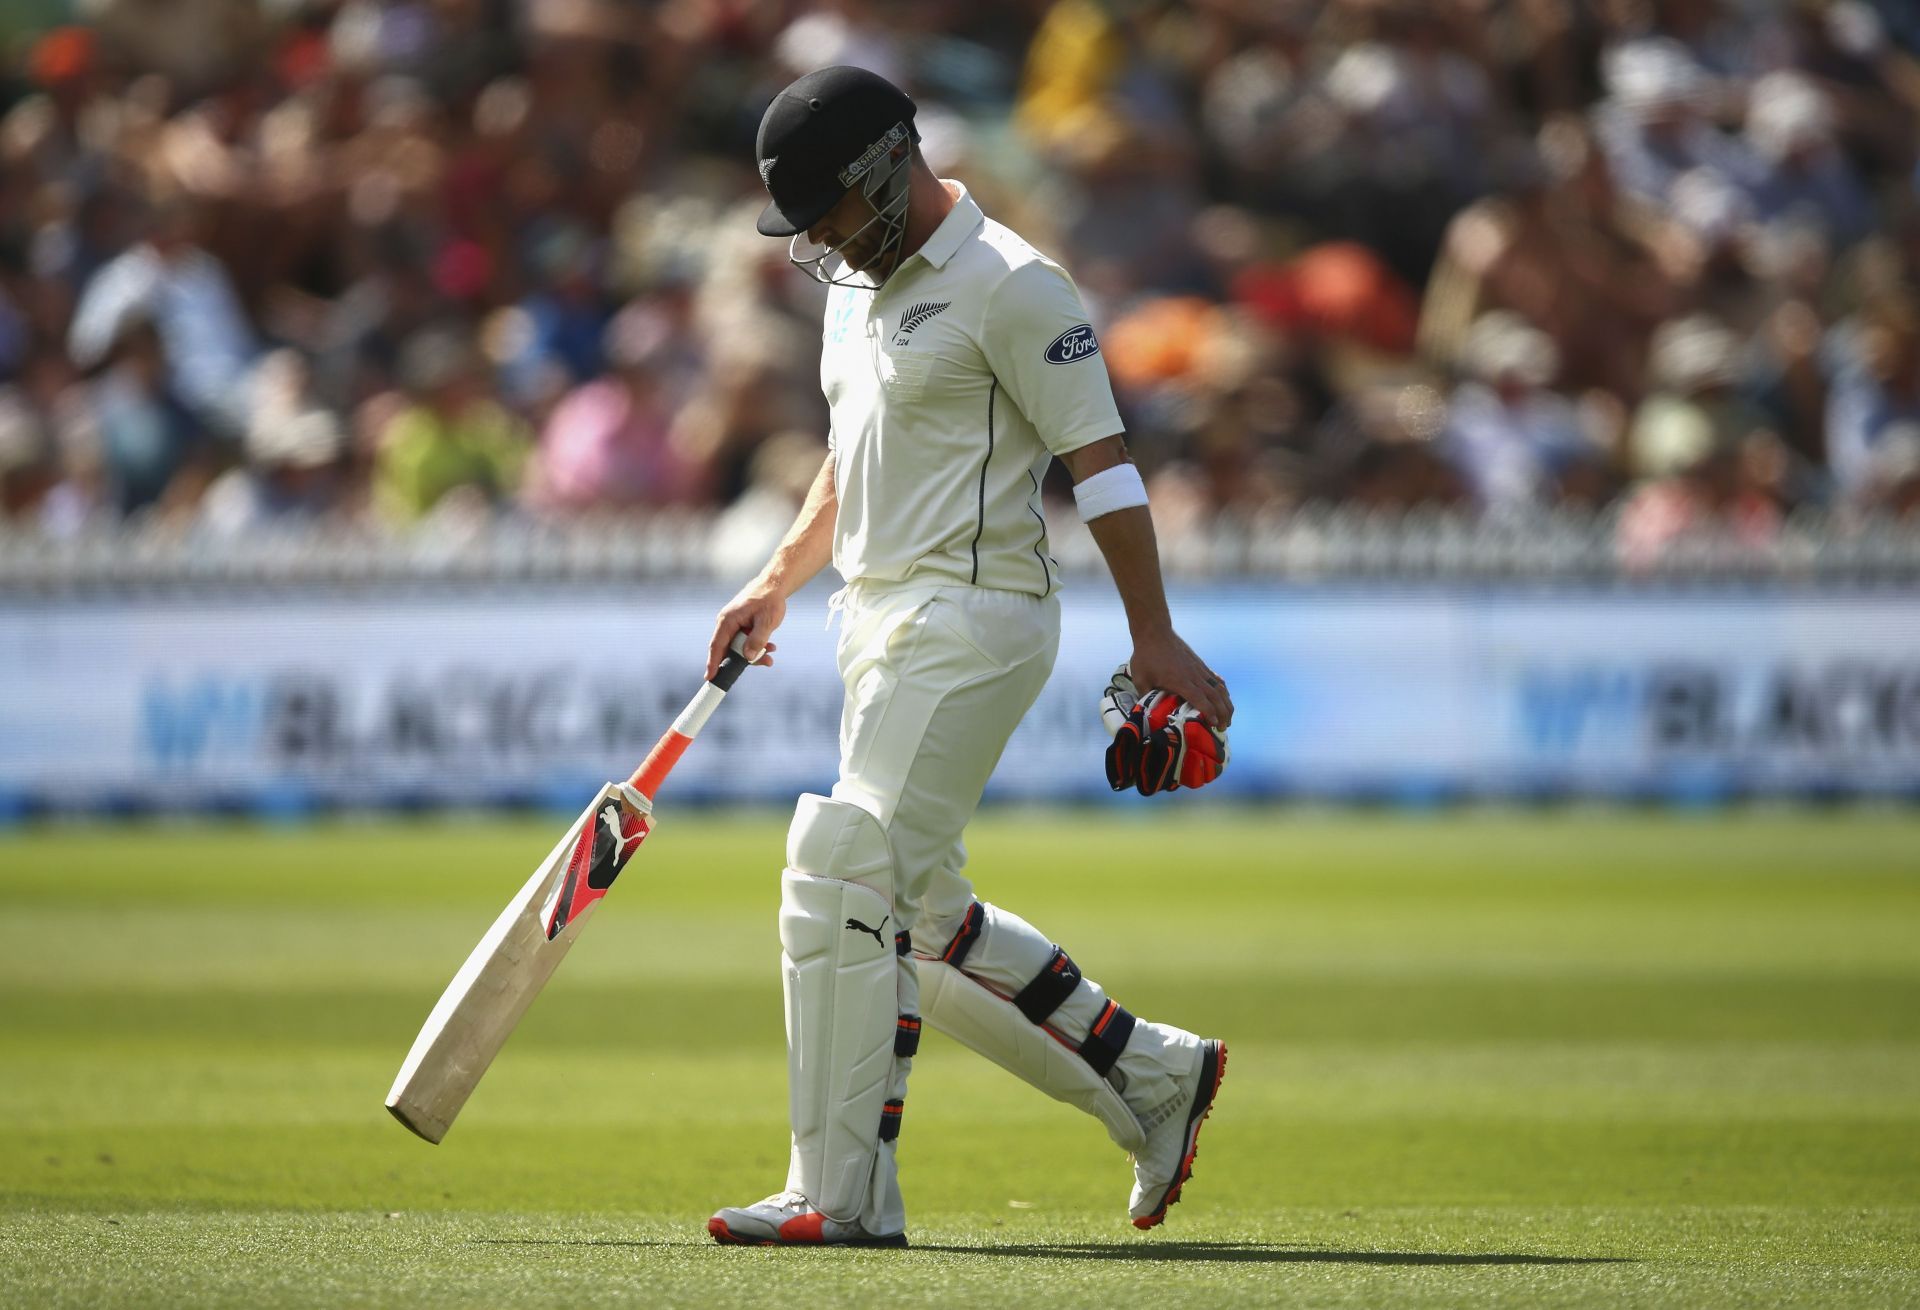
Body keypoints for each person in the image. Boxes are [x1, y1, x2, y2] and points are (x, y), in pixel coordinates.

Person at [703, 66, 1232, 1249]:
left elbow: (1103, 462)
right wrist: (775, 580)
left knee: (840, 866)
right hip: (876, 619)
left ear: (887, 167)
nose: (822, 244)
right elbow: (854, 456)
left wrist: (1152, 633)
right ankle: (1154, 1076)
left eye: (829, 212)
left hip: (977, 615)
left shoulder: (1015, 284)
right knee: (921, 919)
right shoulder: (856, 283)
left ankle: (840, 1192)